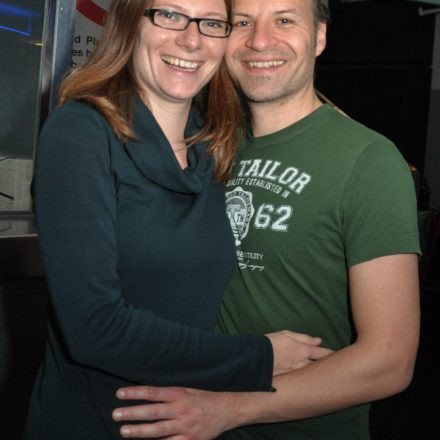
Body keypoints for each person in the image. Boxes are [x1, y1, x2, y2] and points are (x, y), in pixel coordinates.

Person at [112, 0, 421, 439]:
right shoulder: (207, 147)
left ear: (319, 38)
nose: (260, 41)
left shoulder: (369, 161)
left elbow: (390, 360)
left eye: (284, 20)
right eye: (242, 23)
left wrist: (227, 409)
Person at [24, 0, 333, 438]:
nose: (191, 39)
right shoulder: (80, 133)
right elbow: (94, 328)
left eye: (211, 23)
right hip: (97, 423)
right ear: (132, 23)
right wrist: (260, 357)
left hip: (192, 421)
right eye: (169, 14)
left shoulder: (217, 146)